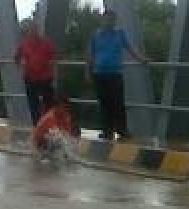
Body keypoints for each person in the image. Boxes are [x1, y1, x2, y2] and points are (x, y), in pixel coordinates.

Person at [87, 9, 148, 141]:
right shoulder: (95, 35)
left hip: (115, 73)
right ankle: (107, 131)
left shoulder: (120, 34)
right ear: (102, 20)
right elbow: (90, 55)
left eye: (112, 19)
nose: (109, 22)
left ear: (114, 21)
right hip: (99, 73)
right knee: (104, 104)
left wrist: (141, 59)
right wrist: (88, 72)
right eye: (107, 19)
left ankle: (122, 130)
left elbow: (130, 48)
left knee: (118, 103)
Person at [14, 20, 57, 124]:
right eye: (31, 29)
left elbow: (54, 57)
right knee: (33, 104)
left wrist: (53, 72)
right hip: (30, 77)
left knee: (48, 103)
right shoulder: (24, 44)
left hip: (45, 78)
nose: (33, 31)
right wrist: (21, 63)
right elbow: (16, 58)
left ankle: (49, 125)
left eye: (34, 29)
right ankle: (37, 125)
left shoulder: (46, 43)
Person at [32, 94, 77, 161]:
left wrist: (72, 142)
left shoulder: (66, 115)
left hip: (50, 138)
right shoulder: (50, 118)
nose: (65, 109)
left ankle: (65, 156)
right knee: (58, 138)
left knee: (70, 140)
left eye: (66, 107)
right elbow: (57, 135)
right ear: (56, 107)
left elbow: (68, 133)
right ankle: (45, 154)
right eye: (63, 107)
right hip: (39, 141)